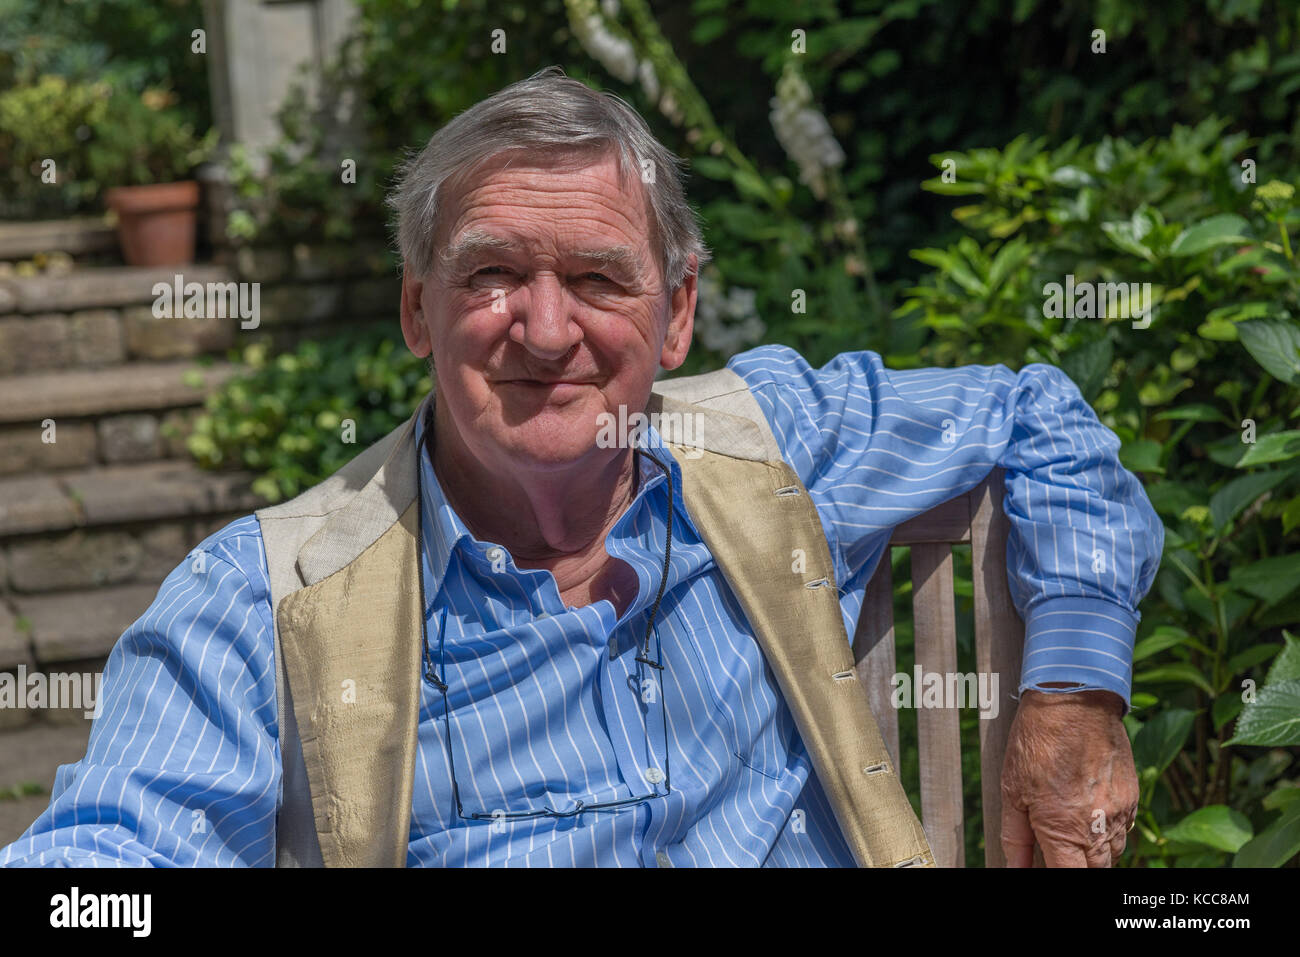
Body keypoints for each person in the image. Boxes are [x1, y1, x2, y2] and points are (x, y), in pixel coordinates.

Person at [0, 66, 1160, 868]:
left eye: (600, 280)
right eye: (491, 273)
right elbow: (112, 854)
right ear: (418, 310)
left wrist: (1070, 698)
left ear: (676, 317)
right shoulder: (264, 597)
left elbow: (1035, 418)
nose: (545, 331)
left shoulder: (773, 440)